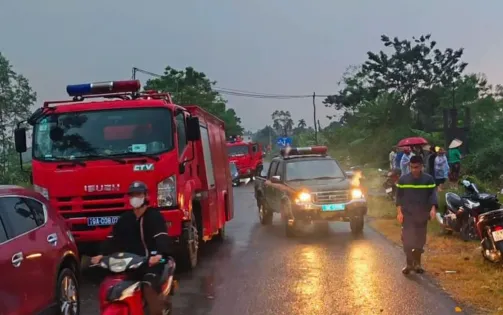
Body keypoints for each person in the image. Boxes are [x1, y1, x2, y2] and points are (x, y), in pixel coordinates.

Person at [91, 181, 171, 315]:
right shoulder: (125, 218)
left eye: (138, 194)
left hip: (150, 263)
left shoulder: (154, 216)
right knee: (108, 283)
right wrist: (101, 255)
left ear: (145, 196)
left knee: (148, 285)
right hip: (128, 264)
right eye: (132, 195)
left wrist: (159, 255)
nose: (135, 198)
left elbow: (162, 238)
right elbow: (112, 239)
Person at [396, 155, 437, 274]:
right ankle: (409, 265)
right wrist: (399, 212)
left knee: (420, 240)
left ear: (421, 166)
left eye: (417, 167)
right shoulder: (403, 180)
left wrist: (433, 209)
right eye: (412, 167)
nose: (414, 170)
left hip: (422, 214)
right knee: (407, 240)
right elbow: (399, 197)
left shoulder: (428, 180)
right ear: (409, 166)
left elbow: (432, 196)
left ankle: (418, 264)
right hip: (407, 215)